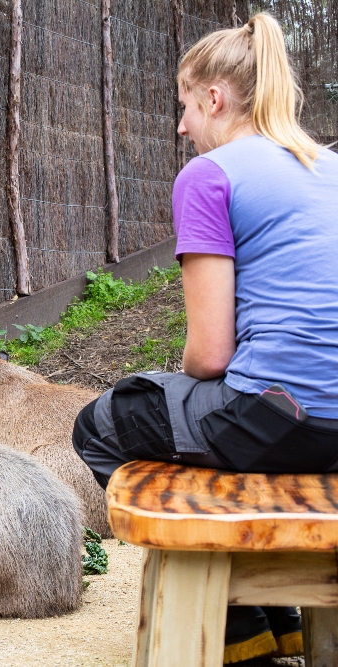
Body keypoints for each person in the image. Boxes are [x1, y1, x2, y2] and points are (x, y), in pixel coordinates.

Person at [70, 13, 338, 664]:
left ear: (214, 98)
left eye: (185, 106)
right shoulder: (328, 167)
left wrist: (187, 374)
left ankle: (235, 628)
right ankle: (286, 619)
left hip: (278, 413)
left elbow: (210, 353)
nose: (182, 125)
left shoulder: (209, 176)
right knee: (198, 419)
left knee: (104, 422)